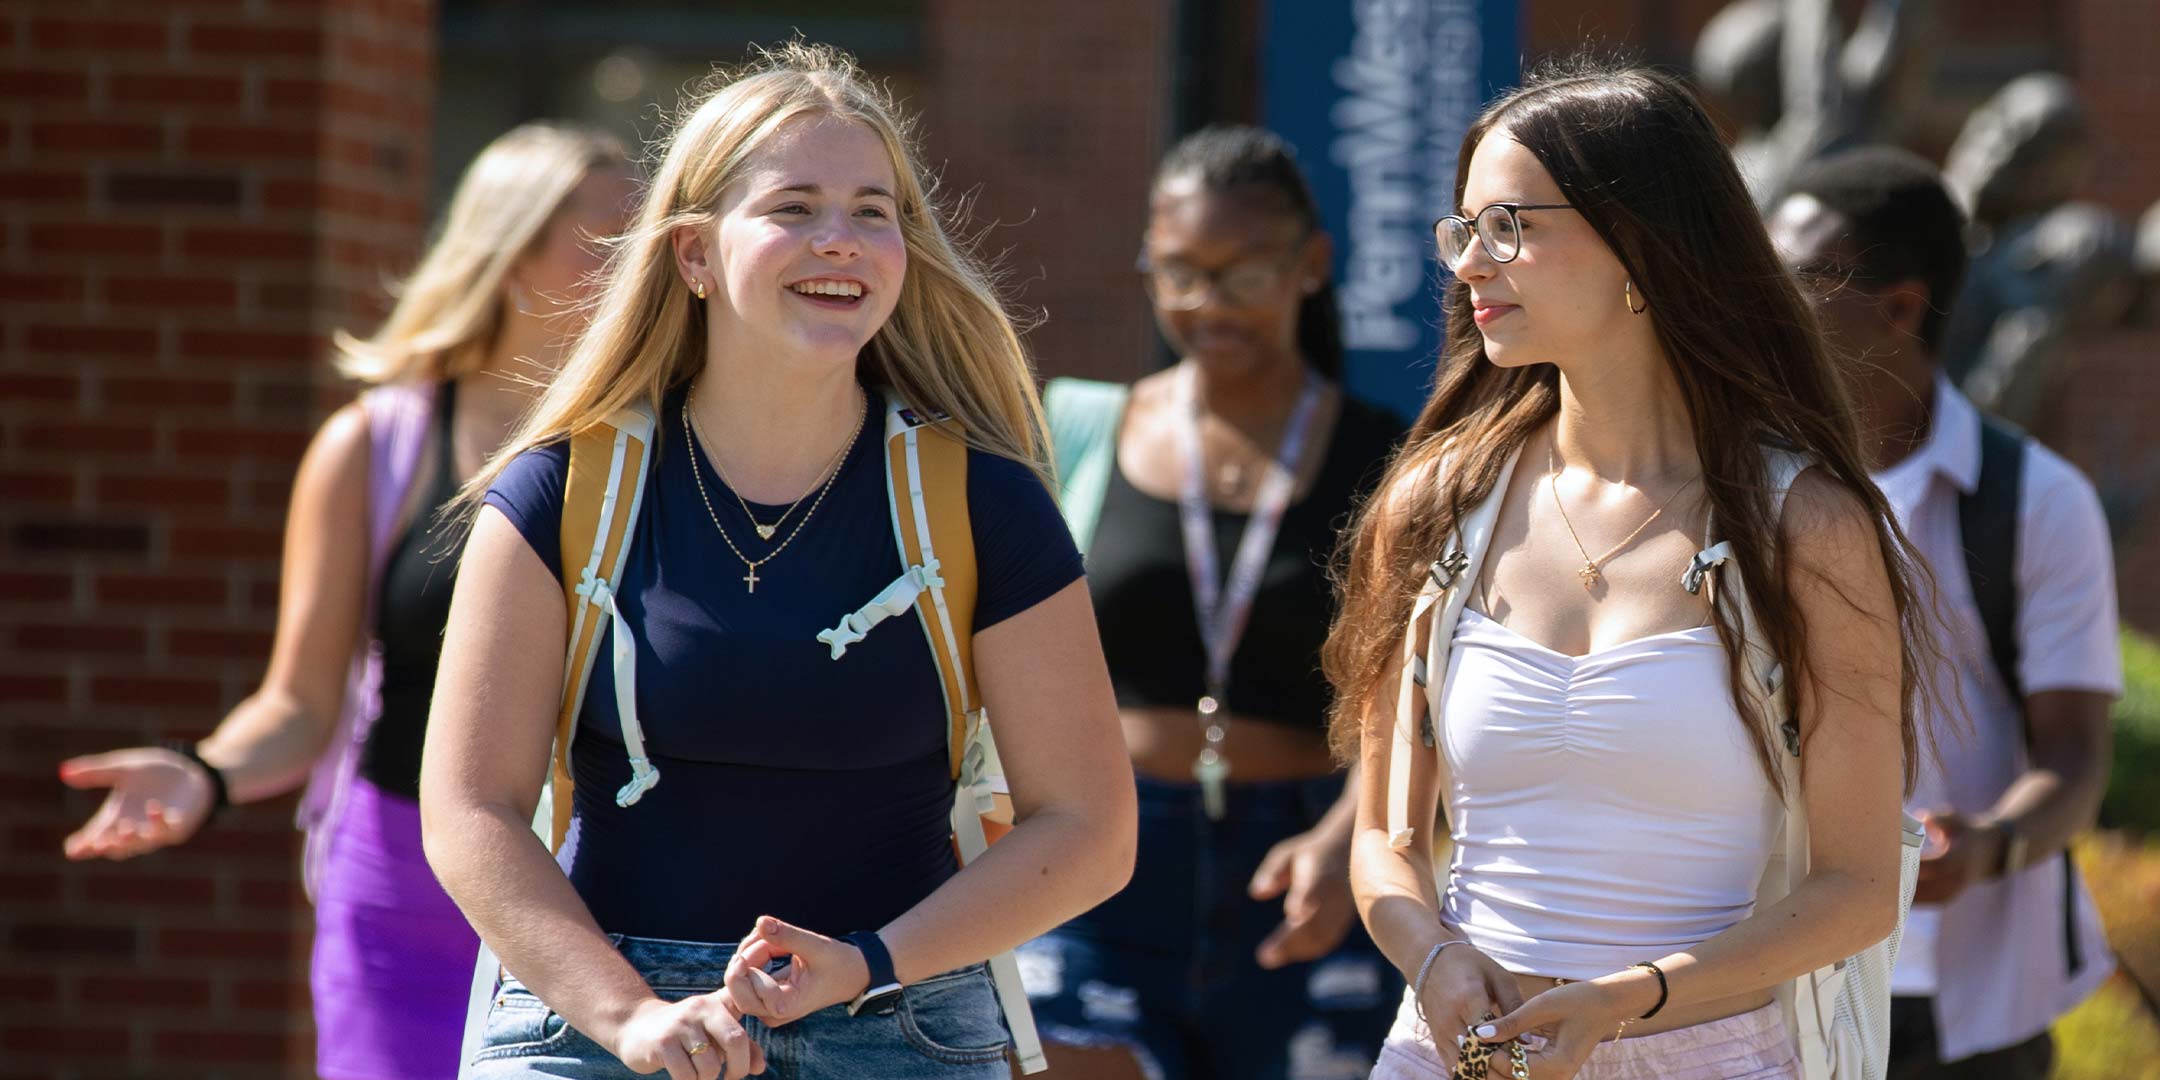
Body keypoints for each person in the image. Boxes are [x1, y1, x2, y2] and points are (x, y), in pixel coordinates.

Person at [421, 42, 1137, 1080]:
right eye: (793, 209)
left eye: (873, 211)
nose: (839, 241)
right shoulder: (558, 492)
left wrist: (867, 963)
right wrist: (626, 1017)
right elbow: (469, 810)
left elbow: (1089, 829)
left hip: (903, 1023)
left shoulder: (987, 503)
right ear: (695, 256)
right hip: (600, 1021)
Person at [1326, 59, 1939, 1080]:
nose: (1470, 263)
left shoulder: (1807, 527)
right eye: (1462, 230)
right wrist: (1431, 956)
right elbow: (1385, 838)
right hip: (1459, 1057)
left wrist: (1623, 1001)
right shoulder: (1433, 504)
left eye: (1509, 226)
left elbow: (1857, 888)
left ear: (1641, 246)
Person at [56, 122, 638, 1079]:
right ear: (510, 252)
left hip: (598, 903)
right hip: (400, 894)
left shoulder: (652, 452)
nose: (640, 263)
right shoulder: (375, 447)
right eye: (608, 236)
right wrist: (200, 772)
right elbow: (297, 705)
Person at [1023, 126, 1407, 1080]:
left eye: (1243, 275)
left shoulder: (1389, 455)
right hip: (1101, 848)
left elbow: (1413, 686)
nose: (1207, 305)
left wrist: (1352, 837)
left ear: (1309, 266)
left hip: (1305, 856)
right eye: (1180, 273)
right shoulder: (1075, 426)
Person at [1768, 145, 2120, 1080]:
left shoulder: (2036, 499)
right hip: (1773, 972)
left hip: (1978, 999)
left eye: (1797, 279)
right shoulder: (1740, 486)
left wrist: (1991, 847)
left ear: (1899, 306)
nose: (1766, 305)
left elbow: (2077, 756)